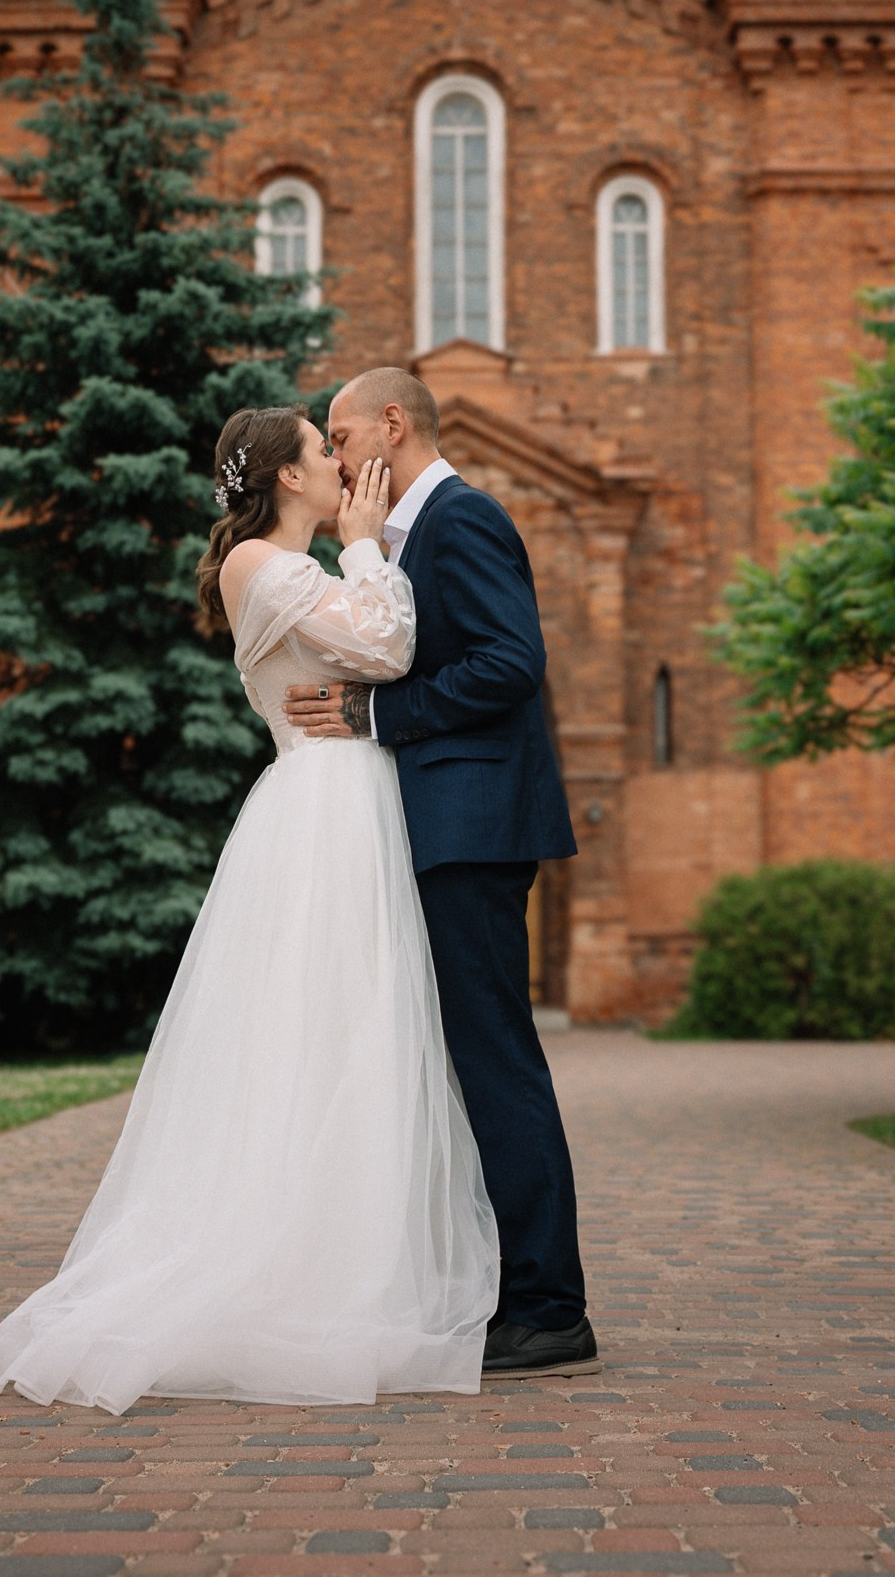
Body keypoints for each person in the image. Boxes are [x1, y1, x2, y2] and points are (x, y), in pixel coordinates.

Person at [0, 406, 498, 1414]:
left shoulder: (292, 564)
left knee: (358, 1037)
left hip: (353, 805)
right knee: (314, 1036)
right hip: (323, 813)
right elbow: (385, 647)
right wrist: (365, 546)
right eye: (322, 450)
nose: (338, 462)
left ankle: (348, 1252)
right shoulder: (259, 564)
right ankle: (291, 1275)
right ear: (286, 477)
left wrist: (357, 551)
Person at [284, 367, 597, 1381]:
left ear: (390, 423)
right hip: (445, 824)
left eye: (339, 432)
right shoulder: (414, 531)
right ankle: (510, 1290)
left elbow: (512, 661)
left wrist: (380, 715)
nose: (333, 454)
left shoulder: (463, 518)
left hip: (475, 825)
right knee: (472, 1058)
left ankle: (550, 1306)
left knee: (496, 1056)